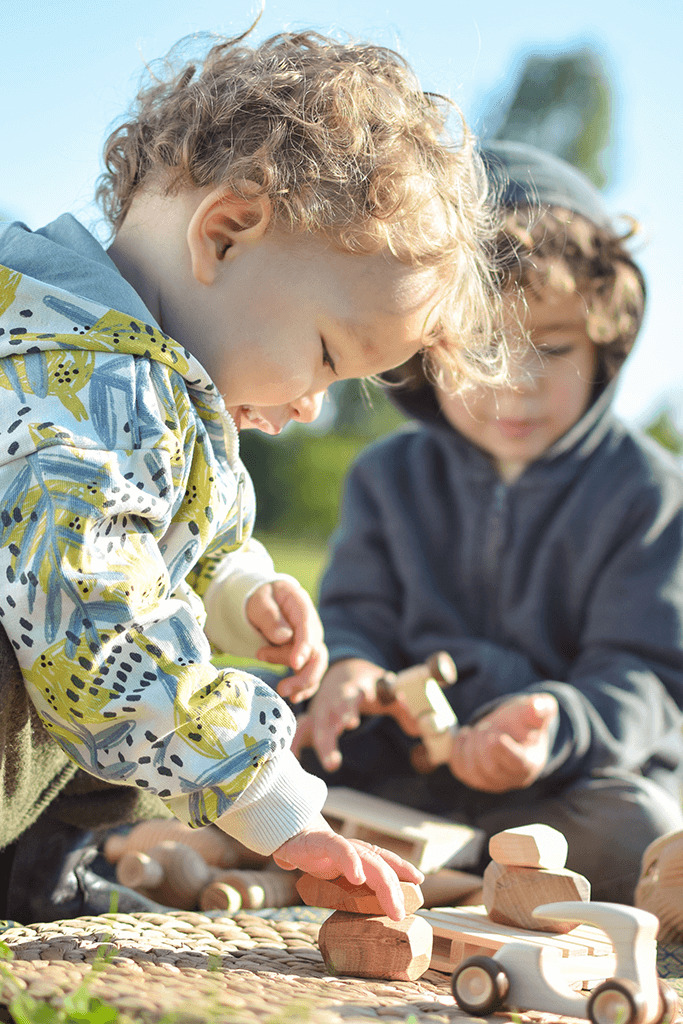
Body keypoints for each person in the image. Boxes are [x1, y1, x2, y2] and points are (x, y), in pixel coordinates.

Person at [0, 27, 504, 922]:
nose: (312, 404)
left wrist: (238, 588)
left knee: (187, 683)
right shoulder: (91, 378)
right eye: (322, 354)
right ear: (226, 233)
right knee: (128, 679)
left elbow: (137, 532)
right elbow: (96, 623)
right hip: (58, 644)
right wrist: (278, 805)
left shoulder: (125, 361)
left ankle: (32, 867)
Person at [295, 140, 683, 904]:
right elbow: (356, 616)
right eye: (480, 349)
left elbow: (646, 674)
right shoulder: (388, 476)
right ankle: (442, 876)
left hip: (557, 790)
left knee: (638, 825)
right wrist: (349, 668)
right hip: (410, 776)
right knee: (259, 720)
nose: (514, 386)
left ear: (605, 338)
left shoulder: (648, 491)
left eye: (550, 348)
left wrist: (556, 723)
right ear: (423, 350)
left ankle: (432, 882)